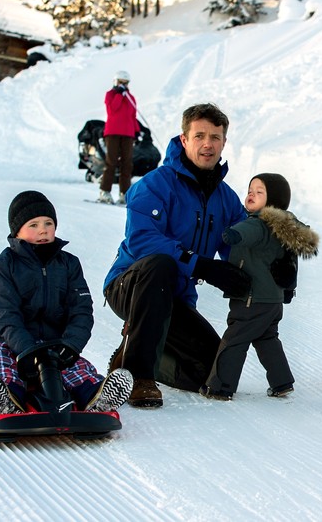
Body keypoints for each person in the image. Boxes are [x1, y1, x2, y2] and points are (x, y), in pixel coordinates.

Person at [104, 103, 251, 408]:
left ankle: (133, 349)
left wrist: (274, 268)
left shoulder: (227, 198)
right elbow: (143, 240)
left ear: (224, 143)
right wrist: (201, 266)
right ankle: (136, 376)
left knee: (212, 372)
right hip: (131, 286)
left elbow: (243, 247)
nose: (207, 144)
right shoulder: (155, 184)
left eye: (215, 137)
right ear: (184, 140)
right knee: (160, 264)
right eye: (199, 136)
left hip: (176, 300)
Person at [0, 191, 133, 414]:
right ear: (16, 231)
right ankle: (5, 398)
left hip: (54, 343)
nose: (43, 230)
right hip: (10, 342)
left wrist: (71, 345)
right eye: (34, 224)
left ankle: (96, 396)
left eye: (48, 223)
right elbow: (5, 313)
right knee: (2, 363)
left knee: (76, 368)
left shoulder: (68, 264)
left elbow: (81, 309)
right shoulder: (3, 265)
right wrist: (26, 348)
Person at [202, 173, 319, 400]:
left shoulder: (259, 223)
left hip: (251, 298)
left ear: (273, 199)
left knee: (235, 339)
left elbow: (247, 232)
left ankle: (219, 386)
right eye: (250, 190)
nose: (251, 194)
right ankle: (282, 382)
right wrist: (287, 290)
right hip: (272, 300)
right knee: (267, 339)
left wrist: (233, 234)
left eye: (259, 192)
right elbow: (289, 261)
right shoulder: (286, 225)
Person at [99, 70, 139, 205]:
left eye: (125, 83)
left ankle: (124, 193)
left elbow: (132, 116)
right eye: (120, 83)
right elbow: (112, 110)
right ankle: (105, 191)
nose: (123, 85)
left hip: (128, 133)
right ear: (115, 82)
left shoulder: (131, 98)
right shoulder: (110, 95)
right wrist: (119, 95)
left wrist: (137, 131)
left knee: (127, 164)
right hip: (113, 132)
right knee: (111, 161)